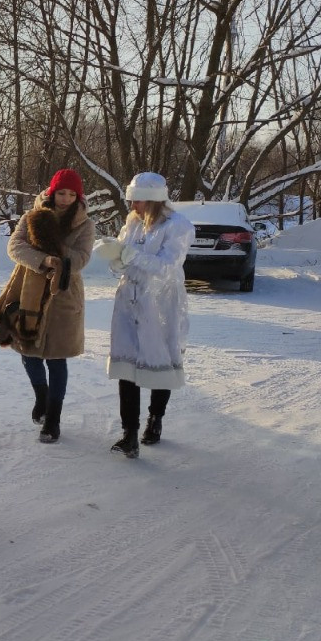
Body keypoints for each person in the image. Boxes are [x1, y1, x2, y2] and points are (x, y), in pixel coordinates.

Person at [101, 171, 194, 458]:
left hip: (160, 303)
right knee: (126, 366)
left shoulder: (178, 226)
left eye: (136, 201)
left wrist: (130, 256)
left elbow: (167, 266)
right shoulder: (133, 223)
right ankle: (129, 433)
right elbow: (123, 261)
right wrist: (115, 258)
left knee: (159, 359)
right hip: (129, 300)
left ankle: (156, 417)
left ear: (152, 200)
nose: (132, 207)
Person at [5, 169, 95, 443]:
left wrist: (58, 256)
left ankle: (53, 419)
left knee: (56, 358)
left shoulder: (84, 225)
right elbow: (14, 246)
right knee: (27, 350)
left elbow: (82, 257)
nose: (66, 199)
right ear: (52, 192)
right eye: (61, 193)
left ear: (78, 196)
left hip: (63, 297)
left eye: (71, 194)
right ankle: (41, 395)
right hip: (30, 291)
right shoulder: (32, 217)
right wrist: (44, 260)